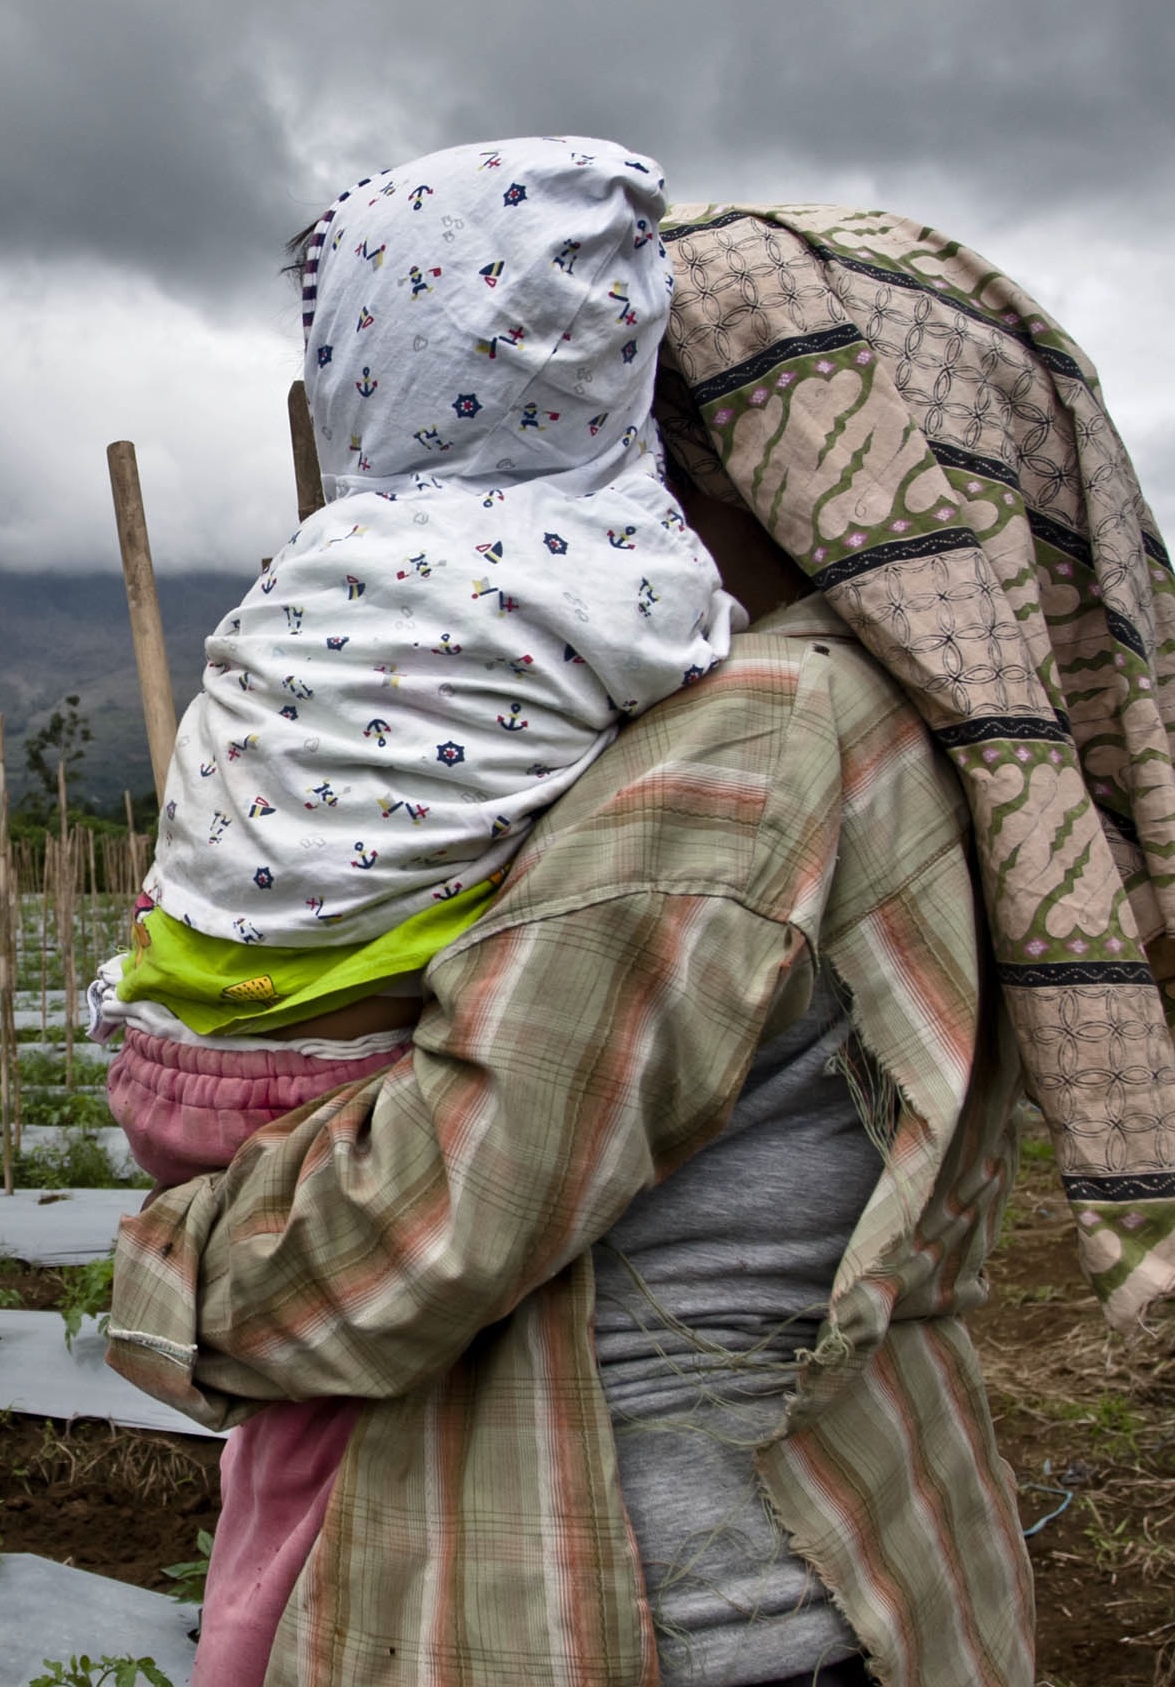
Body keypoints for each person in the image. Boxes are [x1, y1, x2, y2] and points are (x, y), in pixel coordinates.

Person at [104, 196, 1175, 1687]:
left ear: (774, 452)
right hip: (866, 1540)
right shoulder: (954, 741)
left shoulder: (755, 740)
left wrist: (168, 1279)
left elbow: (416, 1230)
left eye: (650, 430)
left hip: (654, 1603)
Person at [87, 136, 741, 1687]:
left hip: (167, 1039)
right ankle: (253, 1658)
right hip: (337, 1073)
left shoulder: (314, 561)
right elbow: (712, 696)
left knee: (279, 1424)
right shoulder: (621, 575)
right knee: (326, 1438)